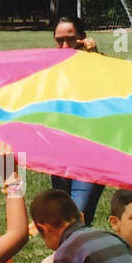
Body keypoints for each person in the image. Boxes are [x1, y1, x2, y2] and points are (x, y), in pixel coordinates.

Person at [50, 17, 104, 225]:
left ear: (82, 39)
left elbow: (113, 86)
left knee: (78, 217)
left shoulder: (96, 65)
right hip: (60, 151)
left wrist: (95, 56)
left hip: (91, 153)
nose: (65, 46)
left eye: (70, 40)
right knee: (60, 218)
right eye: (59, 40)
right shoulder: (51, 70)